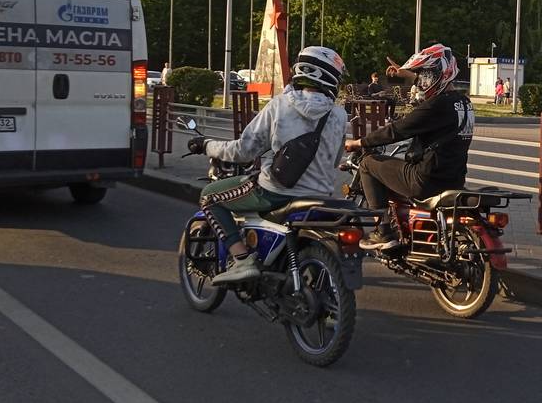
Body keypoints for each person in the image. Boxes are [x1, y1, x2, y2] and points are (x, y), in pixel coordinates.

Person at [187, 46, 348, 284]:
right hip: (320, 195)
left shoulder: (280, 105)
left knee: (210, 196)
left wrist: (208, 145)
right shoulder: (339, 115)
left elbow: (244, 151)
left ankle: (242, 259)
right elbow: (335, 160)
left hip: (277, 193)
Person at [344, 44, 474, 250]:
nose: (423, 81)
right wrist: (408, 74)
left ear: (443, 72)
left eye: (426, 75)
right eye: (421, 75)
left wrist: (359, 142)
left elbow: (398, 130)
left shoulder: (435, 106)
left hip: (425, 180)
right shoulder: (463, 103)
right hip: (454, 178)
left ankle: (383, 231)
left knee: (368, 164)